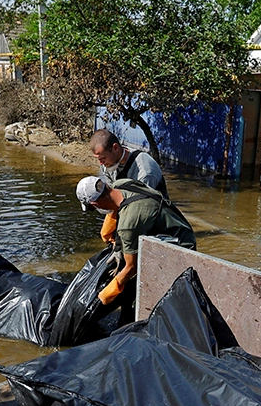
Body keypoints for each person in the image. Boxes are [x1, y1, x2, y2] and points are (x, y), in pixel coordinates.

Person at [76, 176, 195, 313]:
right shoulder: (122, 184)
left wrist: (105, 295)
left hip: (182, 249)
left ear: (96, 204)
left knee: (136, 287)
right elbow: (118, 209)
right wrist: (118, 247)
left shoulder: (128, 226)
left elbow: (131, 267)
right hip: (179, 227)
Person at [88, 129, 167, 198]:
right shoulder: (107, 165)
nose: (101, 163)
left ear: (115, 148)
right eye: (98, 159)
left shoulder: (144, 169)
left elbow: (143, 204)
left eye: (102, 158)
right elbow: (113, 196)